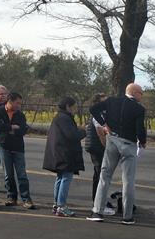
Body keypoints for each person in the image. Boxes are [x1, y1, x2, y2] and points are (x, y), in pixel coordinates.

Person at [87, 83, 147, 225]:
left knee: (105, 176)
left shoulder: (112, 101)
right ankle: (127, 216)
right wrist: (143, 141)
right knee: (128, 180)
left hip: (112, 140)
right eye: (141, 93)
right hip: (129, 144)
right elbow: (140, 128)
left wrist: (104, 123)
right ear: (134, 92)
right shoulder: (139, 109)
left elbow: (93, 109)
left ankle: (97, 211)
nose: (142, 96)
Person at [43, 96, 85, 216]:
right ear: (68, 106)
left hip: (59, 153)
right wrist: (83, 131)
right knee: (66, 178)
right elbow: (72, 135)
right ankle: (61, 205)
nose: (75, 109)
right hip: (65, 153)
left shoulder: (59, 117)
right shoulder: (65, 118)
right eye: (73, 107)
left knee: (60, 178)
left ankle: (56, 204)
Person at [0, 91, 35, 209]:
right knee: (8, 175)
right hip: (4, 146)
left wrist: (10, 129)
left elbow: (22, 130)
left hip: (18, 148)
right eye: (17, 103)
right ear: (10, 101)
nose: (18, 106)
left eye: (20, 104)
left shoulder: (20, 115)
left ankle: (27, 199)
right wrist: (12, 127)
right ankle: (12, 197)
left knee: (21, 174)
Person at [85, 92, 114, 215]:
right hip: (97, 147)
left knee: (99, 175)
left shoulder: (101, 114)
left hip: (95, 146)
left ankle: (99, 200)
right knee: (100, 175)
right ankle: (97, 203)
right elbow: (100, 133)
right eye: (104, 101)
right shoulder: (98, 115)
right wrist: (107, 147)